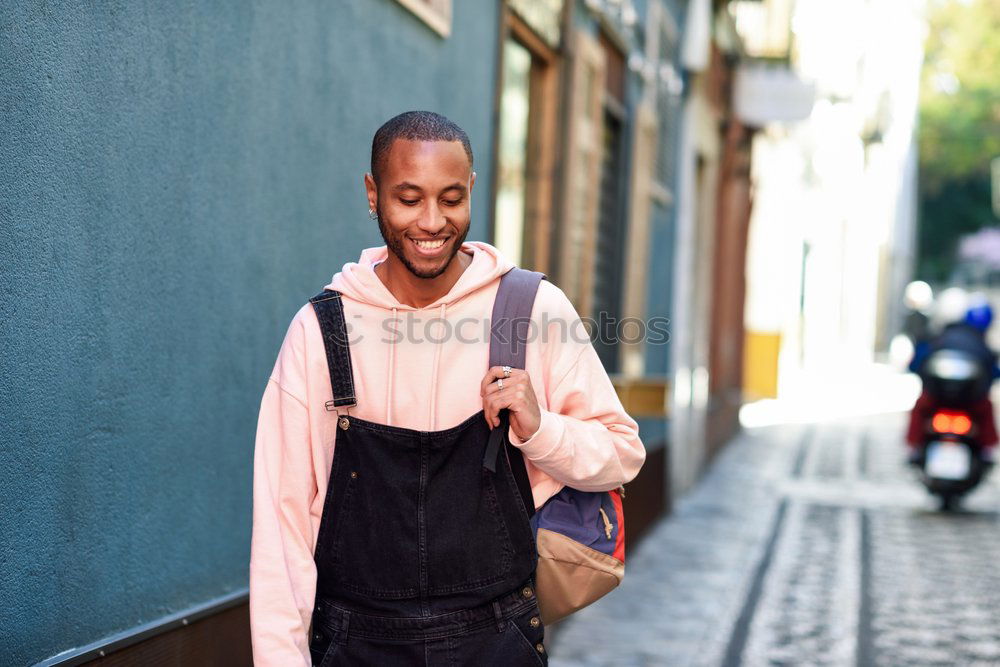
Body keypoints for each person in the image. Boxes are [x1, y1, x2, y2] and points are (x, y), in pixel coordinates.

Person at [249, 111, 646, 666]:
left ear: (472, 191)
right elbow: (282, 525)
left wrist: (540, 428)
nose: (432, 222)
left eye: (451, 198)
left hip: (498, 639)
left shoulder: (529, 311)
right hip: (355, 645)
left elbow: (621, 457)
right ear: (372, 193)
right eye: (408, 199)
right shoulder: (321, 333)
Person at [906, 298, 999, 464]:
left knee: (920, 407)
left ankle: (913, 448)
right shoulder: (980, 344)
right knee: (986, 408)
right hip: (970, 401)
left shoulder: (940, 338)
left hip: (938, 399)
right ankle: (987, 451)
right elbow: (992, 372)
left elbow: (918, 364)